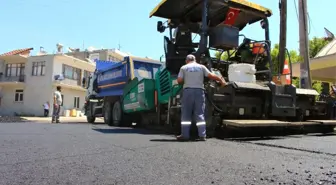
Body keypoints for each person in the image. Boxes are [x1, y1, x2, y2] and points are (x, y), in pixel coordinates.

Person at [176, 54, 227, 141]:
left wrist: (187, 79)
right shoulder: (201, 67)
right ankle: (202, 135)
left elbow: (179, 80)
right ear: (195, 60)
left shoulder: (184, 67)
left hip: (188, 92)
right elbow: (211, 75)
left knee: (186, 114)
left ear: (186, 60)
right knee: (200, 113)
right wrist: (221, 80)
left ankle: (185, 135)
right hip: (199, 92)